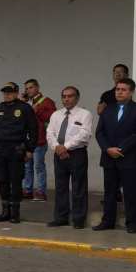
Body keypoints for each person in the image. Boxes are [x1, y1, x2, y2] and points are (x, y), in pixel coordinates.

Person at [94, 78, 136, 233]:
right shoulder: (108, 109)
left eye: (123, 89)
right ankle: (108, 221)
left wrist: (120, 149)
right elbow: (99, 132)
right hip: (109, 157)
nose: (119, 92)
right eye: (117, 89)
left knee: (131, 192)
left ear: (131, 92)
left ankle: (133, 223)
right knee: (109, 192)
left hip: (129, 158)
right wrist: (108, 149)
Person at [0, 82, 37, 224]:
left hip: (16, 149)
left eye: (10, 92)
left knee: (15, 181)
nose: (7, 95)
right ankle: (5, 211)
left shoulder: (25, 108)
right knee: (2, 180)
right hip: (0, 150)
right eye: (5, 92)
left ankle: (15, 213)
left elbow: (33, 130)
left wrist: (30, 149)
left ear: (16, 93)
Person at [46, 87, 93, 229]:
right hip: (59, 154)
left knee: (78, 186)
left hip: (77, 154)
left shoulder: (85, 114)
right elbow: (50, 133)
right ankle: (61, 217)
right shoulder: (56, 114)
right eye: (64, 96)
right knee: (60, 187)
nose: (66, 99)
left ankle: (78, 219)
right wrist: (57, 148)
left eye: (70, 96)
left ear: (77, 98)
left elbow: (84, 134)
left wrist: (65, 146)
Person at [21, 79, 56, 201]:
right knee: (26, 166)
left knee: (38, 166)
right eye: (26, 88)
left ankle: (41, 191)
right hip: (26, 140)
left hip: (40, 139)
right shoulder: (24, 102)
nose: (28, 90)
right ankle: (27, 190)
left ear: (37, 88)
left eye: (31, 87)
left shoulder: (47, 101)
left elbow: (52, 118)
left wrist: (37, 110)